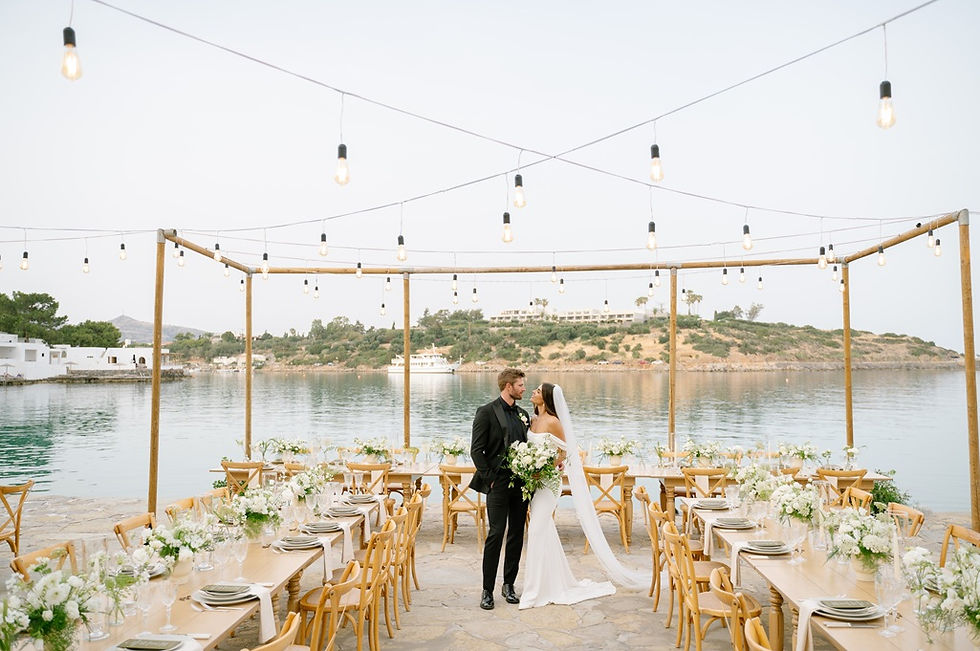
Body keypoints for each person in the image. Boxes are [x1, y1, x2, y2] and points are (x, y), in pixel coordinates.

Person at [520, 382, 616, 608]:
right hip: (534, 483)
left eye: (537, 390)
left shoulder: (554, 422)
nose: (533, 392)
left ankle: (532, 592)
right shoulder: (533, 420)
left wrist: (545, 468)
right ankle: (551, 583)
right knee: (544, 531)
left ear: (545, 397)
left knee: (535, 531)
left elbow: (565, 452)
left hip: (548, 483)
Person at [470, 368, 530, 610]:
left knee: (517, 533)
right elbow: (476, 450)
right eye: (521, 385)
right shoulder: (486, 412)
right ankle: (487, 590)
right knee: (496, 534)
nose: (524, 388)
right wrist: (490, 478)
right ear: (508, 386)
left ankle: (509, 585)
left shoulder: (524, 414)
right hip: (498, 483)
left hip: (521, 484)